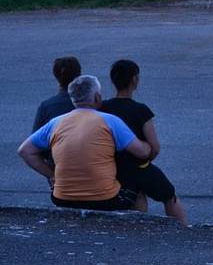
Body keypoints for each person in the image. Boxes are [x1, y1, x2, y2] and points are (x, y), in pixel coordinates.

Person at [18, 75, 152, 211]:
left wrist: (52, 175)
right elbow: (143, 152)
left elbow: (25, 151)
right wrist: (148, 143)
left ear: (73, 99)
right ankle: (138, 227)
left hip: (62, 198)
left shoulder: (56, 123)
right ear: (97, 98)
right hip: (105, 199)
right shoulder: (110, 121)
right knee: (138, 185)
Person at [101, 59, 188, 225]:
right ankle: (184, 230)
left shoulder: (103, 107)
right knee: (169, 196)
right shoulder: (141, 110)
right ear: (134, 80)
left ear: (113, 81)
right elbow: (155, 147)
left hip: (110, 167)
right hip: (137, 167)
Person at [32, 57, 81, 132]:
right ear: (79, 75)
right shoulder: (91, 103)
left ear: (56, 75)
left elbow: (35, 138)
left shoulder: (47, 106)